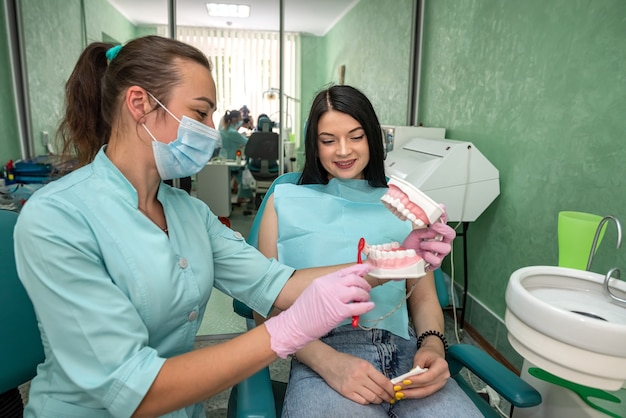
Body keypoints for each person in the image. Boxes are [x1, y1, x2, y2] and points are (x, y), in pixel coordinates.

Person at [12, 36, 377, 418]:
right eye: (201, 113)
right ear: (139, 104)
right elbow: (135, 390)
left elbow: (277, 284)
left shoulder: (190, 213)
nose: (212, 132)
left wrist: (390, 262)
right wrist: (286, 331)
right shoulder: (57, 217)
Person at [255, 85, 482, 417]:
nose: (343, 150)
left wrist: (432, 345)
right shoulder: (284, 202)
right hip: (323, 349)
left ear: (373, 138)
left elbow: (421, 296)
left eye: (356, 136)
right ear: (314, 145)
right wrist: (328, 362)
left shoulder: (402, 204)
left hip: (405, 351)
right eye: (328, 140)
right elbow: (267, 308)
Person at [219, 109, 252, 203]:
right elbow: (247, 142)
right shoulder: (232, 132)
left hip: (224, 159)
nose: (242, 119)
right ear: (234, 119)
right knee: (244, 180)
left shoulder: (224, 129)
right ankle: (243, 198)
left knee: (230, 182)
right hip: (233, 161)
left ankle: (241, 198)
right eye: (240, 117)